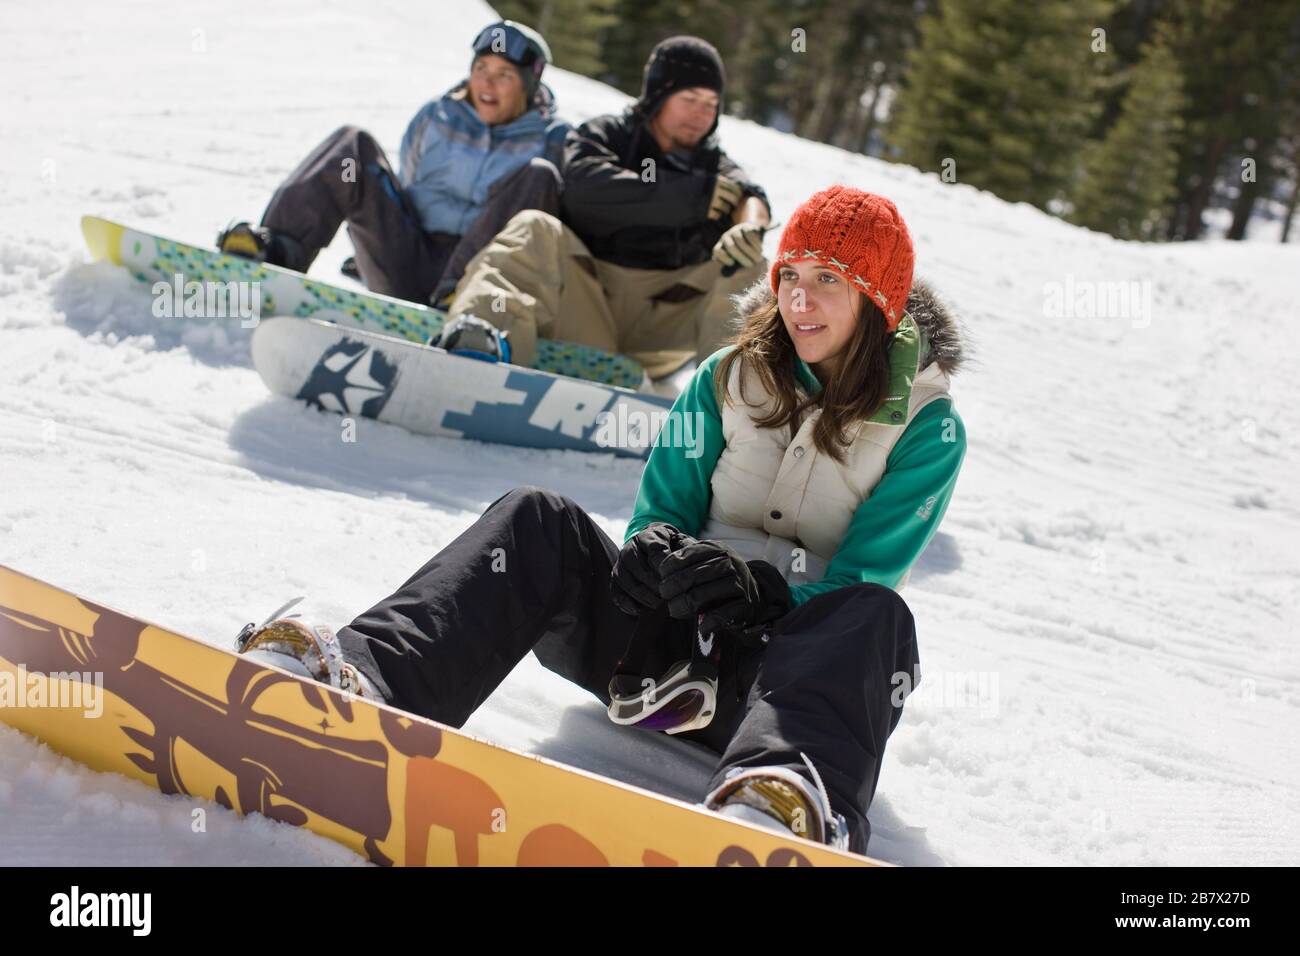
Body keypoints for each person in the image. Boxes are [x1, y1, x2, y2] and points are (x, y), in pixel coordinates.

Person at [236, 186, 968, 856]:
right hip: (667, 656)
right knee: (537, 520)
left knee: (876, 617)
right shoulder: (726, 378)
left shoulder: (928, 429)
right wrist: (655, 553)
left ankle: (782, 800)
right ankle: (367, 680)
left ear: (878, 298)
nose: (800, 299)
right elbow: (665, 505)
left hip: (791, 690)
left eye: (828, 280)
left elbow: (862, 574)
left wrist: (765, 595)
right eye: (791, 276)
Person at [440, 35, 771, 379]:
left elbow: (750, 196)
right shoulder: (609, 134)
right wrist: (688, 196)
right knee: (534, 228)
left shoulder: (714, 164)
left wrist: (750, 226)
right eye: (689, 99)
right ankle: (482, 339)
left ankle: (732, 395)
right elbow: (584, 187)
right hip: (587, 305)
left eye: (710, 103)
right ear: (659, 96)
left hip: (664, 329)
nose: (701, 114)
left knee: (748, 264)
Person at [216, 20, 568, 316]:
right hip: (407, 258)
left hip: (479, 278)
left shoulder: (553, 138)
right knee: (352, 150)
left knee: (538, 175)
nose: (487, 84)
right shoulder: (436, 115)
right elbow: (407, 180)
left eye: (504, 74)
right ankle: (277, 250)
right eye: (481, 69)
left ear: (529, 83)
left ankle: (460, 299)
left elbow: (546, 226)